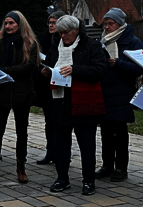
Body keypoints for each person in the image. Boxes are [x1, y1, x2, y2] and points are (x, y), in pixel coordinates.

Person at [41, 16, 108, 196]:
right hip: (59, 101)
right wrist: (46, 72)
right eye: (60, 33)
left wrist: (75, 69)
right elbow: (50, 64)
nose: (62, 36)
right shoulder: (55, 46)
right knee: (60, 145)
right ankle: (62, 178)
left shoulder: (91, 46)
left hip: (84, 103)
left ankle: (88, 180)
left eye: (66, 32)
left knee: (87, 145)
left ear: (76, 30)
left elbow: (100, 70)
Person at [94, 8, 143, 183]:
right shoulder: (101, 41)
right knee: (106, 132)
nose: (107, 27)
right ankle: (107, 165)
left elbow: (138, 69)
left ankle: (121, 167)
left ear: (120, 24)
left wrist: (118, 63)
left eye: (111, 23)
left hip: (122, 92)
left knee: (120, 133)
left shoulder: (133, 42)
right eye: (105, 24)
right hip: (104, 91)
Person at [0, 10, 39, 184]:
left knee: (22, 132)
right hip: (1, 93)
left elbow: (28, 66)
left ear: (20, 24)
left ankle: (21, 166)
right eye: (6, 23)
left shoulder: (30, 44)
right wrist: (2, 71)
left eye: (12, 23)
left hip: (22, 93)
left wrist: (6, 70)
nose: (8, 26)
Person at [35, 10, 64, 165]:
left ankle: (61, 152)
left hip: (61, 84)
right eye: (50, 23)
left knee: (60, 121)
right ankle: (50, 151)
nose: (51, 26)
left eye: (54, 23)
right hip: (46, 85)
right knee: (49, 121)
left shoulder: (64, 40)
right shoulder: (45, 38)